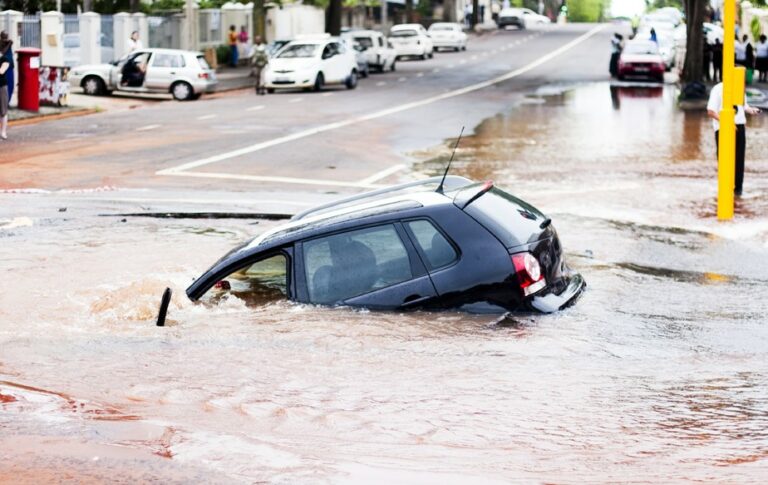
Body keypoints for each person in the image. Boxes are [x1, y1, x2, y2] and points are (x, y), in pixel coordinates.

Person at [707, 82, 761, 196]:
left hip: (740, 126)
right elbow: (711, 111)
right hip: (723, 128)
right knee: (724, 160)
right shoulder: (718, 89)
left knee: (739, 160)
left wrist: (751, 110)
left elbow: (744, 106)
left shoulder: (739, 88)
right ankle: (725, 191)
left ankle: (738, 191)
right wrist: (726, 121)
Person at [0, 36, 11, 140]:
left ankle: (3, 132)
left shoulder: (5, 59)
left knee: (3, 110)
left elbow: (1, 71)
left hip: (1, 87)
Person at [0, 31, 14, 103]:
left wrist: (9, 43)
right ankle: (5, 103)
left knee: (11, 85)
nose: (6, 38)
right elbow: (3, 52)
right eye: (5, 37)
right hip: (4, 68)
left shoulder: (8, 43)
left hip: (10, 67)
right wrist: (8, 44)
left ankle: (7, 102)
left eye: (7, 37)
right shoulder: (2, 44)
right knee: (5, 87)